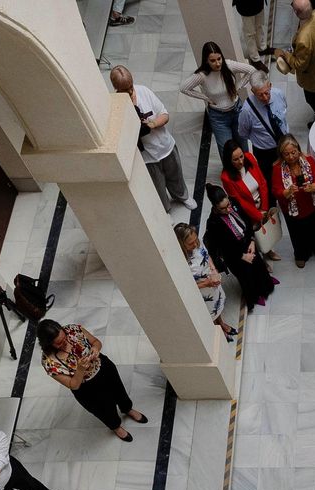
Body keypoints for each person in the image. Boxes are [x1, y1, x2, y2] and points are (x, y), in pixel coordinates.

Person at [36, 319, 146, 443]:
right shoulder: (49, 363)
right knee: (104, 409)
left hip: (103, 368)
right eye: (59, 343)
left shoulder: (73, 330)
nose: (65, 342)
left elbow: (95, 342)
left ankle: (127, 408)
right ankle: (115, 426)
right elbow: (73, 385)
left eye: (64, 337)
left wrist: (95, 349)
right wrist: (80, 369)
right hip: (86, 388)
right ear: (48, 344)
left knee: (119, 390)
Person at [111, 66, 195, 213]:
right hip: (146, 157)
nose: (130, 92)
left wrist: (152, 124)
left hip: (164, 146)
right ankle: (165, 210)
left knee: (175, 174)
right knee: (157, 185)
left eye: (130, 87)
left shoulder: (143, 91)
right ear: (116, 88)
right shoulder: (117, 106)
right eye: (125, 90)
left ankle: (182, 196)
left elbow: (164, 115)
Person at [203, 183, 278, 311]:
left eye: (228, 205)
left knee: (258, 265)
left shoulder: (234, 202)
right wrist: (242, 256)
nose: (228, 210)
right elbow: (223, 248)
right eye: (223, 208)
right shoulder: (213, 223)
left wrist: (252, 241)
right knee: (246, 276)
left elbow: (247, 221)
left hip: (247, 242)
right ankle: (254, 296)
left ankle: (266, 285)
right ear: (215, 207)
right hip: (234, 254)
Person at [181, 42, 261, 154]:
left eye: (219, 59)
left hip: (236, 110)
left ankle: (247, 169)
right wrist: (206, 98)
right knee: (226, 150)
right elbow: (184, 88)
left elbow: (251, 70)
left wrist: (237, 86)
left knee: (243, 144)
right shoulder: (202, 75)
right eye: (212, 61)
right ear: (206, 61)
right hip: (218, 117)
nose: (217, 63)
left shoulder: (228, 65)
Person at [271, 135, 315, 268]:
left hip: (311, 203)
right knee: (297, 233)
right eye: (287, 154)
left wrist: (314, 186)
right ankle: (301, 253)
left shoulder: (308, 160)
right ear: (282, 154)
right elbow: (275, 190)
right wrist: (286, 192)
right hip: (291, 208)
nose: (291, 157)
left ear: (298, 149)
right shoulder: (277, 168)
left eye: (293, 152)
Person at [218, 139, 281, 264]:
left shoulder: (250, 158)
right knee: (254, 237)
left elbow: (262, 183)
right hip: (247, 212)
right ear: (229, 160)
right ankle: (261, 261)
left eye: (241, 156)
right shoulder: (226, 177)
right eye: (235, 159)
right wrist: (257, 215)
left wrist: (264, 207)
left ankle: (268, 250)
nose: (241, 161)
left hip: (262, 205)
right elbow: (240, 202)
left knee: (265, 233)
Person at [175, 221, 240, 341]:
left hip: (212, 282)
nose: (195, 244)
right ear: (181, 244)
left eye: (195, 240)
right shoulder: (179, 261)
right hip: (201, 290)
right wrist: (206, 283)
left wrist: (214, 270)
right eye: (190, 243)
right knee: (209, 311)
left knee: (217, 304)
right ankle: (216, 330)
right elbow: (184, 285)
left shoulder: (196, 243)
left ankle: (221, 323)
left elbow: (207, 255)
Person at [276, 0, 315, 117]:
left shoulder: (304, 39)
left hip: (313, 78)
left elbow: (299, 64)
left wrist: (286, 55)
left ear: (296, 12)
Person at [236, 78, 289, 188]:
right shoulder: (247, 111)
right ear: (253, 92)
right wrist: (260, 138)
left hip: (285, 143)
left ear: (270, 86)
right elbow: (243, 132)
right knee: (270, 180)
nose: (265, 98)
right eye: (260, 95)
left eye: (266, 93)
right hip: (265, 152)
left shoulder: (278, 94)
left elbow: (284, 111)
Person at [234, 0, 267, 67]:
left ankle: (262, 48)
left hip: (258, 3)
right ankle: (255, 59)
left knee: (259, 26)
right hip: (246, 6)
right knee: (250, 33)